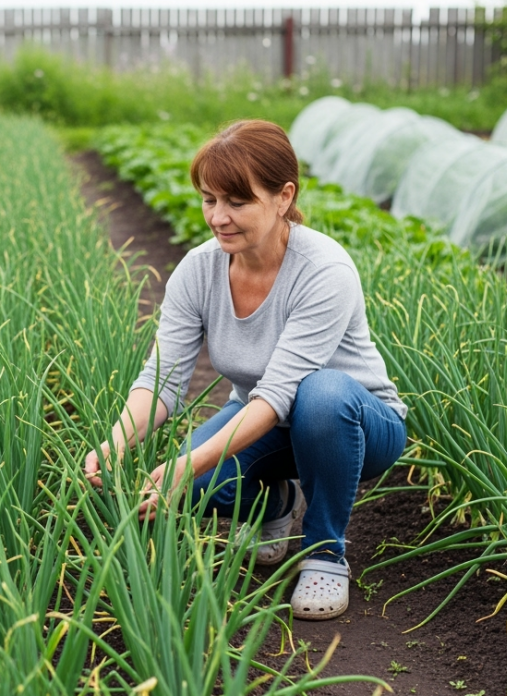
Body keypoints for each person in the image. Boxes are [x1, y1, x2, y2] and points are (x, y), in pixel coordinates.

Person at [83, 119, 408, 620]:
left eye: (238, 201)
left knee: (319, 396)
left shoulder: (324, 270)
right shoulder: (199, 269)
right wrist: (116, 442)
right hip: (264, 423)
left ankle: (325, 552)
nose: (219, 217)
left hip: (358, 424)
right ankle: (275, 504)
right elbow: (163, 378)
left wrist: (186, 462)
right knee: (184, 490)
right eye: (210, 199)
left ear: (283, 197)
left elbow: (281, 394)